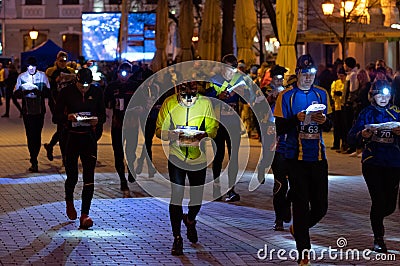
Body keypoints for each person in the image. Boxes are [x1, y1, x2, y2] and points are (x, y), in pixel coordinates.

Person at [274, 54, 332, 265]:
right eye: (304, 73)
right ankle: (304, 251)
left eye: (311, 74)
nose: (308, 77)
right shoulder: (287, 96)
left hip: (317, 157)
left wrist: (324, 120)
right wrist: (295, 119)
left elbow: (329, 125)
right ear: (297, 73)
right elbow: (278, 128)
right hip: (294, 157)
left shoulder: (322, 94)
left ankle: (298, 228)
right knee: (300, 204)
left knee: (321, 207)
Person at [155, 81, 218, 256]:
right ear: (178, 90)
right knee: (176, 196)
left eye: (193, 93)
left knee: (196, 198)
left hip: (198, 156)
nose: (188, 98)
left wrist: (204, 134)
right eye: (184, 94)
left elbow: (214, 127)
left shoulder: (205, 103)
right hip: (176, 155)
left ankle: (190, 220)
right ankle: (177, 238)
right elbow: (159, 129)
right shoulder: (169, 103)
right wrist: (172, 134)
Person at [348, 80, 400, 253]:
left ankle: (376, 218)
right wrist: (362, 134)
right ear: (373, 96)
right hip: (372, 162)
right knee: (378, 201)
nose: (383, 98)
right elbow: (351, 137)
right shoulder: (366, 113)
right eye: (379, 94)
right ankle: (378, 238)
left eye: (386, 94)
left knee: (390, 205)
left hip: (393, 163)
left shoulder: (396, 112)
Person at [53, 68, 106, 229]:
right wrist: (68, 117)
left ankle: (85, 214)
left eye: (87, 86)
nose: (84, 88)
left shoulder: (97, 92)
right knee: (72, 176)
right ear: (76, 81)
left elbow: (103, 115)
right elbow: (56, 117)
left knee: (89, 177)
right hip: (71, 137)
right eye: (81, 85)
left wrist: (97, 120)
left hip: (88, 138)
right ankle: (69, 201)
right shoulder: (66, 92)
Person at [207, 54, 243, 202]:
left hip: (234, 124)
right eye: (228, 67)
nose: (230, 71)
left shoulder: (239, 80)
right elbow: (207, 98)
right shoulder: (214, 79)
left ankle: (231, 189)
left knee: (234, 157)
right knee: (218, 156)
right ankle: (216, 187)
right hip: (218, 124)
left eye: (233, 68)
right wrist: (218, 96)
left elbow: (248, 99)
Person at [259, 64, 291, 231]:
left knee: (295, 183)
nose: (279, 80)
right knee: (280, 183)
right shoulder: (265, 93)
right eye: (276, 78)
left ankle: (287, 205)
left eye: (281, 78)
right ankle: (279, 218)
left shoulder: (288, 92)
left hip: (291, 144)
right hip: (275, 144)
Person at [104, 62, 139, 197]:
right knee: (118, 153)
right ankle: (122, 180)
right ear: (117, 73)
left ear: (130, 74)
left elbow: (143, 102)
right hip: (117, 124)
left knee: (131, 151)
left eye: (126, 73)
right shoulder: (112, 87)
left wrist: (138, 108)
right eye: (121, 73)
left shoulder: (135, 86)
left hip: (132, 124)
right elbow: (105, 102)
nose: (123, 76)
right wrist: (111, 104)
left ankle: (131, 169)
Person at [14, 56, 50, 172]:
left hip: (39, 110)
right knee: (30, 135)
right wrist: (25, 91)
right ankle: (33, 160)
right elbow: (16, 94)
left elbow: (48, 92)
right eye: (29, 67)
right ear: (26, 67)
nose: (31, 69)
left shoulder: (42, 76)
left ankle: (35, 156)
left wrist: (38, 91)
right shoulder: (22, 77)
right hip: (27, 110)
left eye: (33, 67)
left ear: (36, 66)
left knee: (37, 135)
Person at [43, 51, 76, 162]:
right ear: (57, 60)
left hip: (68, 103)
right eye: (61, 61)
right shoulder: (51, 71)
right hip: (55, 102)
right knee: (62, 126)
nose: (63, 63)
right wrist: (55, 81)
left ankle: (51, 146)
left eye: (65, 61)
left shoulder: (70, 71)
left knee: (65, 128)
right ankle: (64, 156)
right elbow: (47, 87)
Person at [330, 67, 346, 150]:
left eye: (342, 75)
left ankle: (344, 143)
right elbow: (332, 93)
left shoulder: (346, 82)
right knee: (336, 126)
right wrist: (335, 94)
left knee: (343, 126)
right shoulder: (336, 83)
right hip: (337, 107)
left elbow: (345, 93)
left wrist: (341, 94)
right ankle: (336, 143)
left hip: (343, 107)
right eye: (340, 75)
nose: (341, 77)